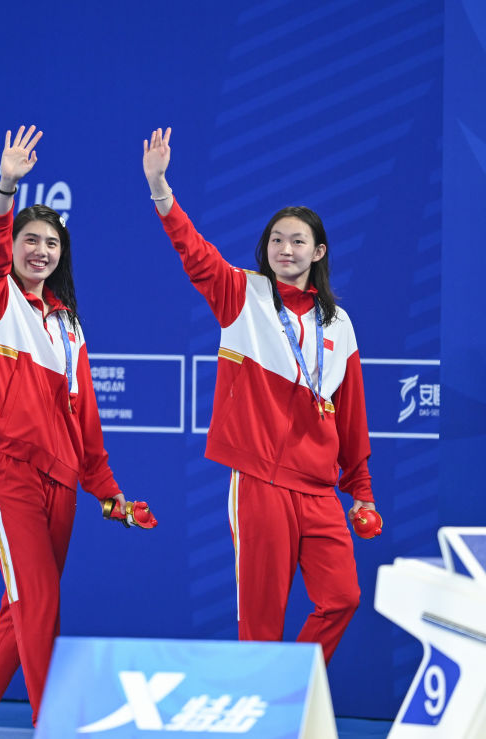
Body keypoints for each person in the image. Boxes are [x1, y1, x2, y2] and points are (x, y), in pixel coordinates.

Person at [142, 127, 377, 664]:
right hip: (261, 483)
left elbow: (351, 417)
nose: (285, 249)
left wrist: (361, 492)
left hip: (319, 489)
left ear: (318, 251)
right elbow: (194, 253)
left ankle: (287, 691)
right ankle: (269, 702)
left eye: (297, 241)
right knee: (261, 622)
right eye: (276, 240)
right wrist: (160, 189)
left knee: (342, 599)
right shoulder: (242, 294)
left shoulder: (339, 324)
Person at [0, 126, 127, 738]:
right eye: (31, 240)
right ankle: (53, 722)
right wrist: (6, 189)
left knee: (23, 601)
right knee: (39, 600)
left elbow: (86, 416)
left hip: (63, 478)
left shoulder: (68, 323)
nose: (41, 251)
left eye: (52, 243)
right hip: (12, 467)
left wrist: (107, 489)